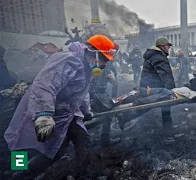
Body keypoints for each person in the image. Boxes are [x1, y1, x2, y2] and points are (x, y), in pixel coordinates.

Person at [5, 35, 117, 179]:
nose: (104, 64)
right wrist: (44, 114)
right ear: (93, 53)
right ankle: (18, 174)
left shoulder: (86, 69)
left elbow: (82, 92)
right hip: (41, 109)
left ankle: (81, 174)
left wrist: (86, 110)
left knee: (75, 141)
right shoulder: (68, 61)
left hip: (66, 114)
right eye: (104, 59)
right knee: (23, 144)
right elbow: (44, 85)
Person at [139, 37, 176, 130]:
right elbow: (165, 74)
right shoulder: (158, 56)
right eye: (168, 46)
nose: (169, 48)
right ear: (163, 46)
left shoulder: (154, 55)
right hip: (156, 86)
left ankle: (168, 128)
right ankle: (168, 133)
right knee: (165, 107)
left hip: (150, 85)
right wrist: (171, 89)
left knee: (146, 105)